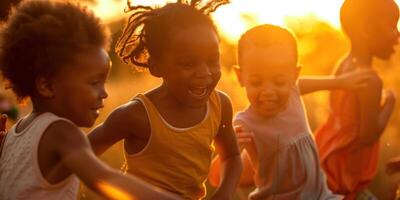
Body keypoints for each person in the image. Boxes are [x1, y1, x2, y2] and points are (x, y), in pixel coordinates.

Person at [0, 1, 181, 199]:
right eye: (94, 83)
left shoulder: (16, 132)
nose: (104, 93)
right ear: (47, 86)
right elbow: (104, 179)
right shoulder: (61, 132)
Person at [88, 0, 243, 199]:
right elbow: (80, 153)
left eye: (212, 61)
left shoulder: (220, 105)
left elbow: (232, 156)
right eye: (188, 63)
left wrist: (223, 194)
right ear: (156, 66)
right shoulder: (136, 115)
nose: (205, 73)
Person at [208, 24, 373, 199]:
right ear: (241, 77)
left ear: (294, 75)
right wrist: (231, 148)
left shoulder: (292, 94)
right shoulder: (246, 123)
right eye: (257, 82)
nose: (268, 91)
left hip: (320, 195)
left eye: (279, 82)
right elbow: (215, 176)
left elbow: (301, 84)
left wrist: (340, 82)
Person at [315, 0, 398, 199]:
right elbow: (368, 135)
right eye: (392, 25)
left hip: (330, 157)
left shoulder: (343, 64)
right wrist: (390, 103)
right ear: (366, 30)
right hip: (348, 172)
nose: (398, 34)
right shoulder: (370, 81)